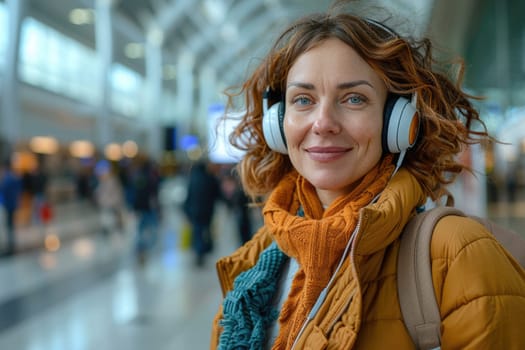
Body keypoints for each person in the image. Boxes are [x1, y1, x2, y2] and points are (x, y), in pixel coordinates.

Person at [210, 4, 525, 349]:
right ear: (278, 123)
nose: (323, 122)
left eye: (354, 98)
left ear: (399, 121)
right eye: (303, 100)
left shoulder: (455, 255)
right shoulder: (255, 267)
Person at [183, 159, 221, 267]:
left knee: (197, 232)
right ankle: (204, 249)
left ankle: (199, 252)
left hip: (194, 211)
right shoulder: (210, 178)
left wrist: (186, 210)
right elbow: (217, 194)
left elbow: (188, 196)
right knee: (206, 230)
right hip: (207, 211)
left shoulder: (192, 179)